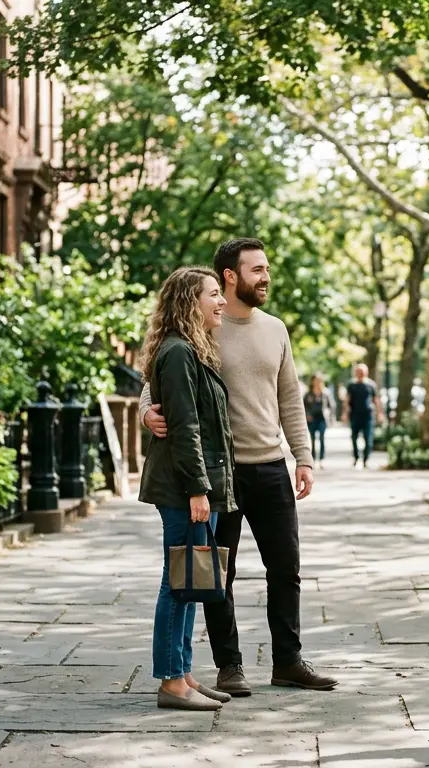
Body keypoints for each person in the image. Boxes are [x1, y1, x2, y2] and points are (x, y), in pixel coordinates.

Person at [142, 238, 338, 695]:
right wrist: (145, 410)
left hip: (270, 466)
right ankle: (229, 666)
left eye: (266, 268)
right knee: (215, 572)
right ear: (230, 276)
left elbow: (289, 396)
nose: (266, 276)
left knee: (285, 569)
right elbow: (160, 377)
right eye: (257, 269)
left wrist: (303, 456)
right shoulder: (201, 325)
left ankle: (288, 661)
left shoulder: (275, 329)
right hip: (218, 472)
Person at [137, 267, 236, 712]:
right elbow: (185, 427)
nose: (222, 301)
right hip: (184, 488)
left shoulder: (194, 349)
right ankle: (171, 683)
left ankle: (184, 672)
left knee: (192, 577)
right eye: (213, 294)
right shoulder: (178, 352)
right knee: (177, 582)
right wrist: (199, 489)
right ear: (189, 302)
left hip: (198, 486)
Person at [346, 364, 380, 468]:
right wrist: (344, 413)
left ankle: (365, 459)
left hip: (368, 415)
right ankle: (356, 458)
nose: (360, 374)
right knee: (354, 438)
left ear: (366, 372)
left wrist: (380, 413)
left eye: (362, 371)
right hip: (355, 415)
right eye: (359, 371)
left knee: (368, 438)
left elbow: (376, 400)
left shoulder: (371, 385)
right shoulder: (351, 385)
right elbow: (347, 400)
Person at [303, 374, 336, 470]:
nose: (317, 382)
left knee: (321, 439)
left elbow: (332, 406)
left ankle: (321, 460)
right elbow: (303, 406)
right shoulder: (308, 394)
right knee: (312, 440)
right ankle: (312, 459)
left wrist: (331, 418)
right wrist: (307, 415)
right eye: (315, 380)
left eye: (319, 380)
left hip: (322, 419)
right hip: (312, 419)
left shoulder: (326, 393)